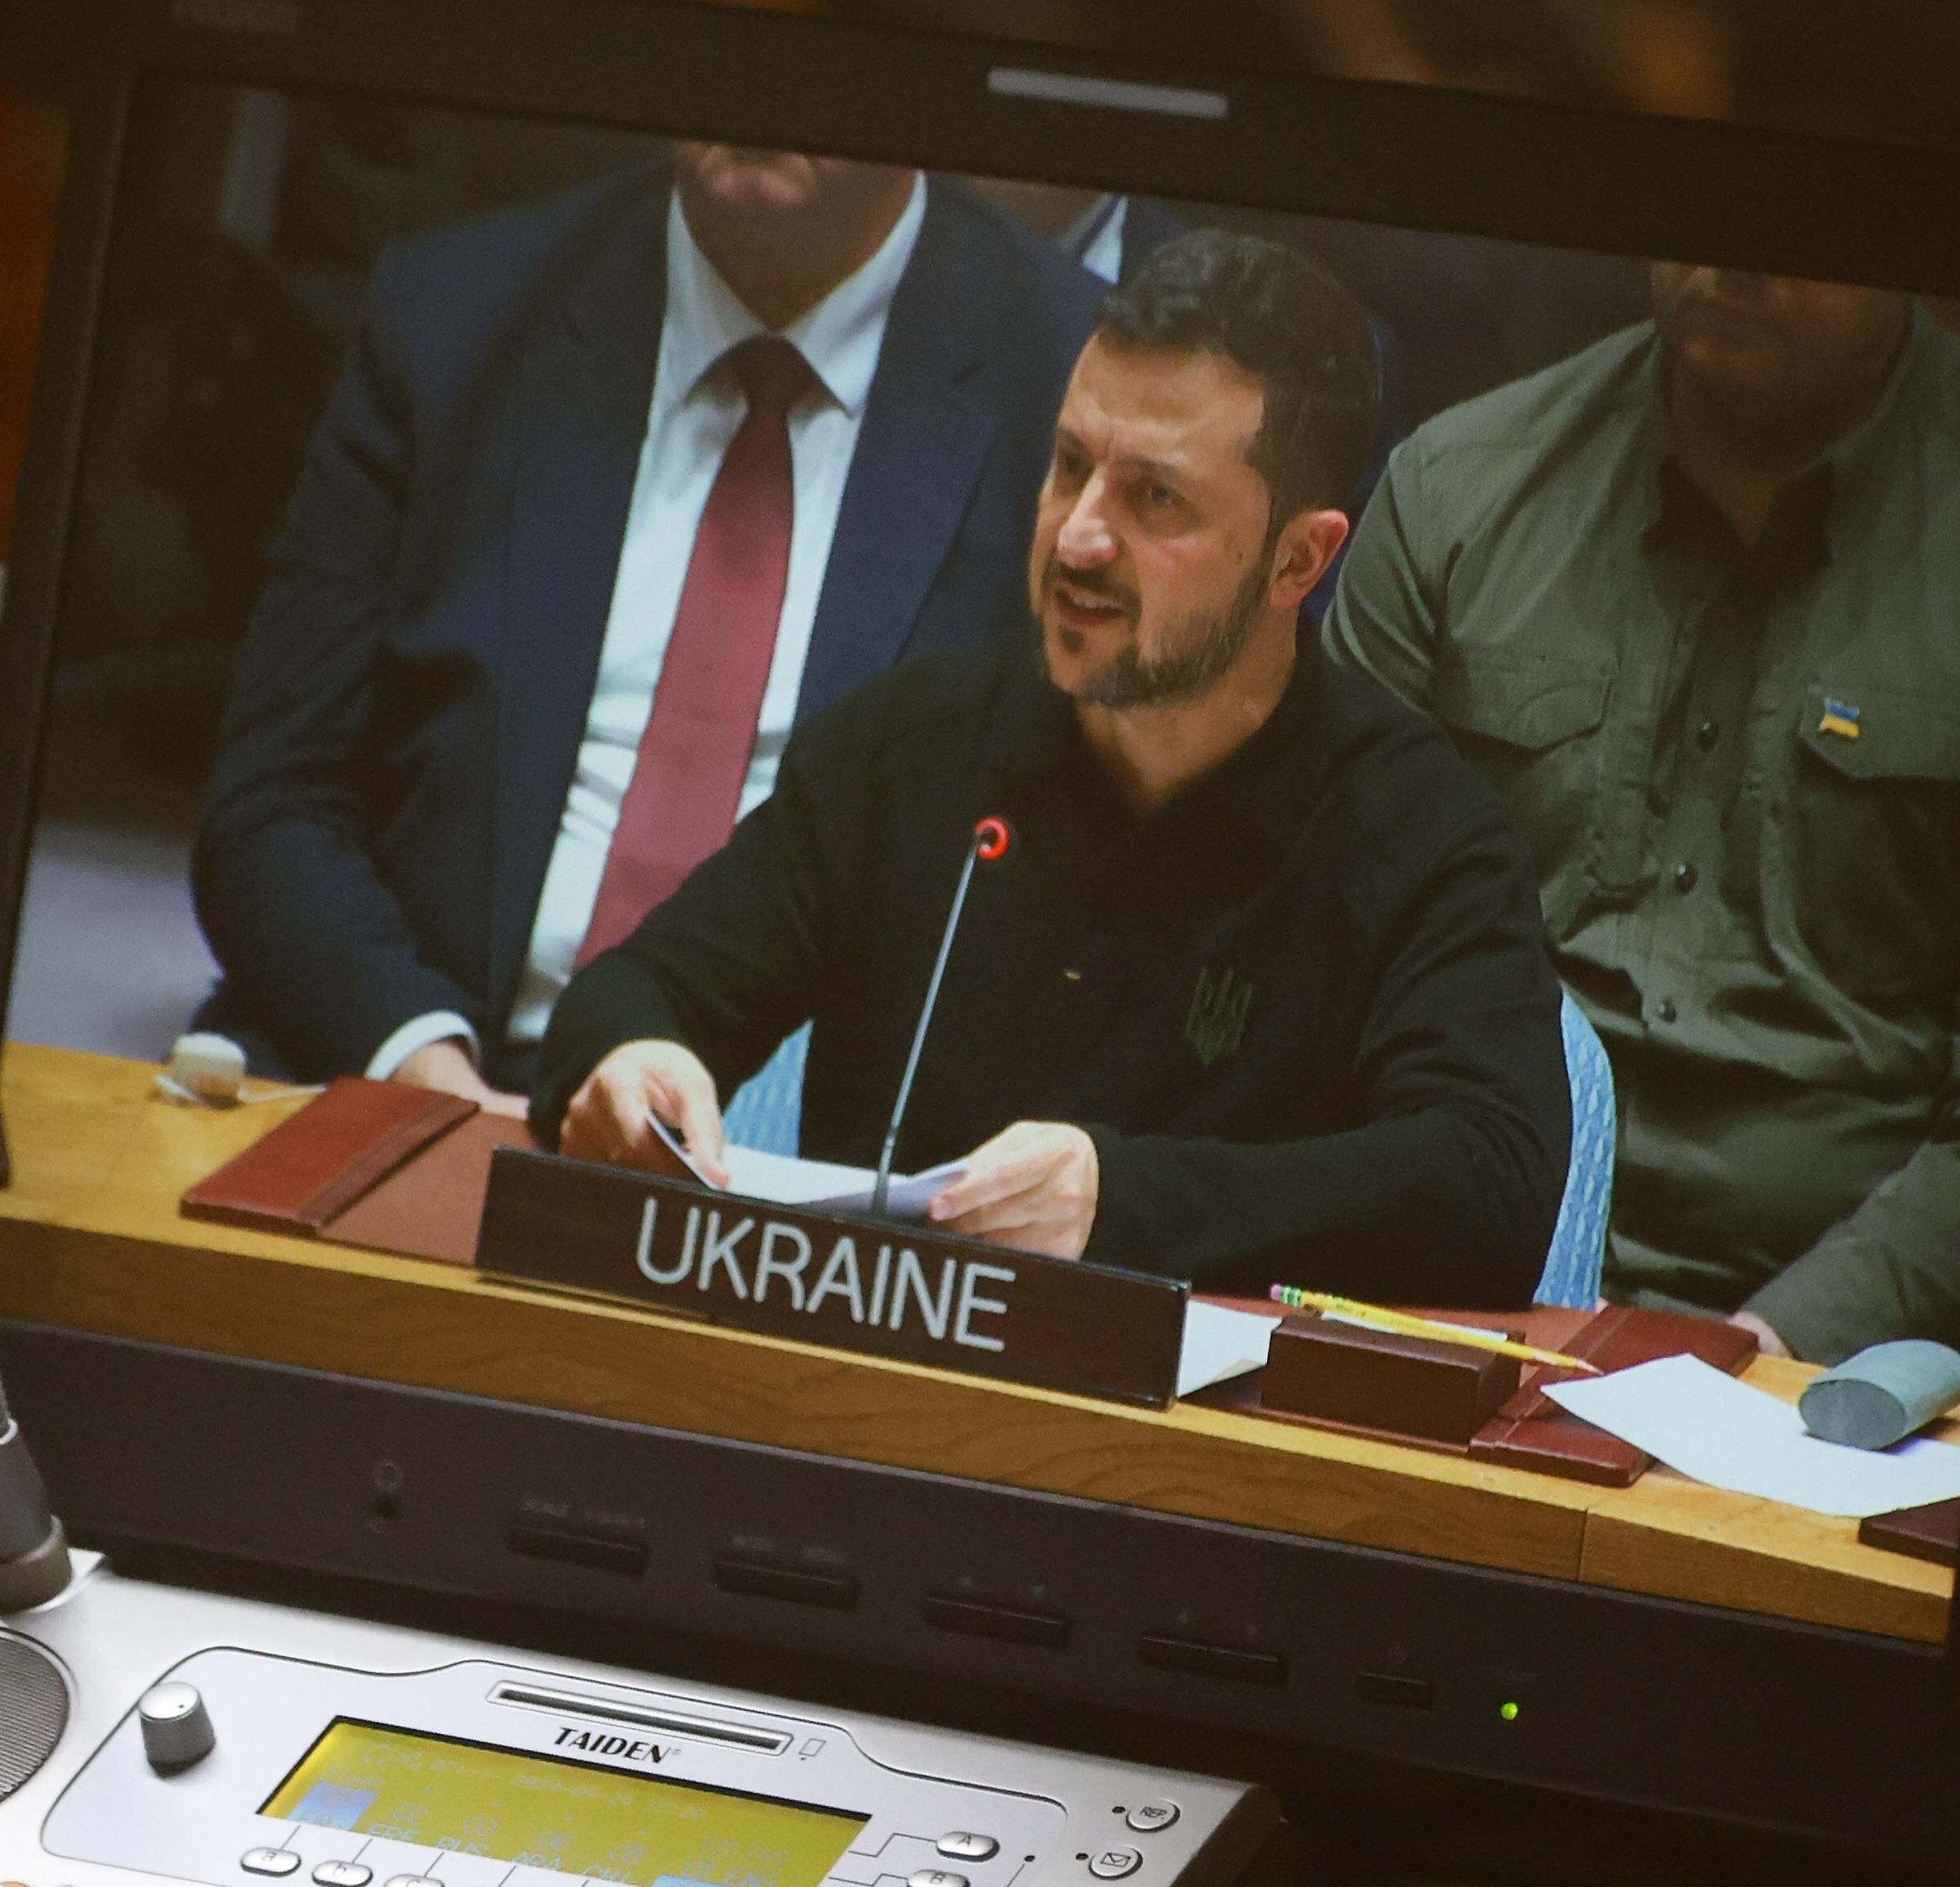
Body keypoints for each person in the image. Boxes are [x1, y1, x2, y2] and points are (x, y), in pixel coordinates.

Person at [535, 228, 1568, 1300]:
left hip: (1208, 1447)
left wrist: (1119, 1202)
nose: (1077, 538)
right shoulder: (908, 749)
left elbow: (1488, 1187)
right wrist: (630, 1066)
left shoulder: (1421, 832)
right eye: (1071, 466)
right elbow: (632, 996)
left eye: (1154, 499)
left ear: (1298, 561)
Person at [191, 143, 1101, 1089]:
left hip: (802, 1150)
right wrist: (420, 1062)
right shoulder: (462, 310)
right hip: (426, 1060)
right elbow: (273, 797)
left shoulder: (1070, 375)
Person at [1326, 267, 1960, 1359]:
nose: (1734, 258)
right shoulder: (1457, 486)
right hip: (1447, 1275)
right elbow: (1314, 972)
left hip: (1835, 1342)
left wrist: (1764, 1353)